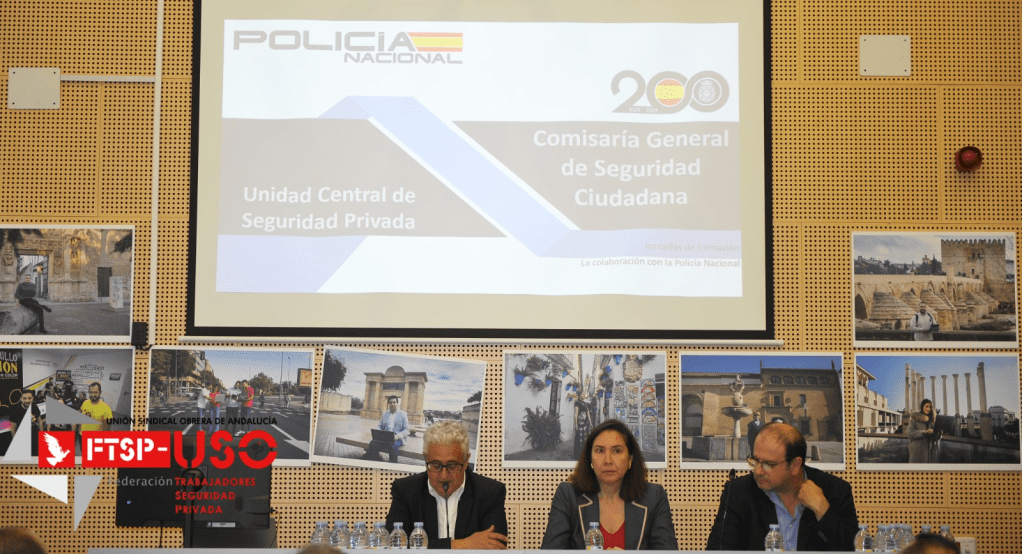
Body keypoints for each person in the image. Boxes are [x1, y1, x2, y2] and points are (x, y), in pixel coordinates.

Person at [705, 422, 858, 551]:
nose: (758, 471)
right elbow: (718, 549)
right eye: (755, 460)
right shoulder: (738, 492)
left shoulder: (835, 491)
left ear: (795, 465)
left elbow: (852, 549)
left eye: (769, 464)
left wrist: (823, 510)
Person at [542, 419, 677, 550]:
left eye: (617, 451)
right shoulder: (568, 496)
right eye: (600, 450)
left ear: (630, 458)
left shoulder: (654, 497)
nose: (608, 460)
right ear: (590, 459)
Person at [386, 420, 508, 549]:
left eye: (452, 466)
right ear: (425, 459)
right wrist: (458, 545)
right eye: (436, 465)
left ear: (466, 461)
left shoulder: (490, 492)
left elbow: (495, 545)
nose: (444, 476)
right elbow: (392, 546)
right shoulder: (405, 490)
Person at [369, 396, 410, 463]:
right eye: (390, 402)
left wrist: (398, 436)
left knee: (393, 447)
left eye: (394, 402)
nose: (392, 404)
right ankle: (375, 462)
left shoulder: (403, 414)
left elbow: (407, 430)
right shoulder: (384, 414)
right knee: (373, 443)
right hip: (386, 437)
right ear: (388, 404)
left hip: (398, 439)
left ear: (397, 403)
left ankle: (392, 466)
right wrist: (379, 432)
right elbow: (379, 425)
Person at [9, 390, 43, 456]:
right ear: (21, 399)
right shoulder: (15, 410)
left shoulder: (34, 406)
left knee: (36, 455)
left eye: (29, 398)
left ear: (33, 398)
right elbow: (13, 430)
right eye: (24, 398)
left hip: (34, 436)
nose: (27, 400)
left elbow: (39, 421)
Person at [907, 399, 940, 463]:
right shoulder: (914, 418)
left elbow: (936, 434)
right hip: (917, 453)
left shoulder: (933, 420)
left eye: (930, 407)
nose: (928, 409)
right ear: (922, 407)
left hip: (931, 453)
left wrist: (938, 435)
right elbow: (910, 433)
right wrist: (924, 432)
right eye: (926, 406)